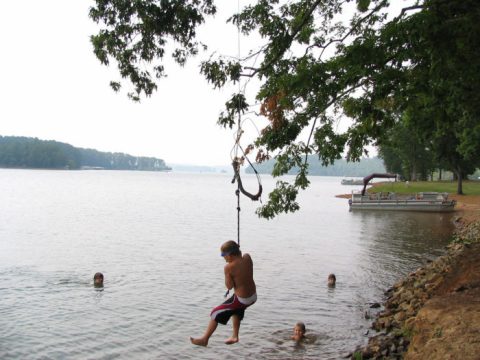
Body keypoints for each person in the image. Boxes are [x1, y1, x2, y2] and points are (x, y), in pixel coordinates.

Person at [190, 240, 257, 347]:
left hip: (242, 299)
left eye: (223, 255)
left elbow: (229, 286)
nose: (224, 259)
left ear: (230, 255)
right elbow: (242, 262)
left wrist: (227, 273)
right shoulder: (247, 257)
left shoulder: (229, 267)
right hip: (253, 296)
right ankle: (235, 336)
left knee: (215, 313)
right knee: (236, 310)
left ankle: (205, 339)